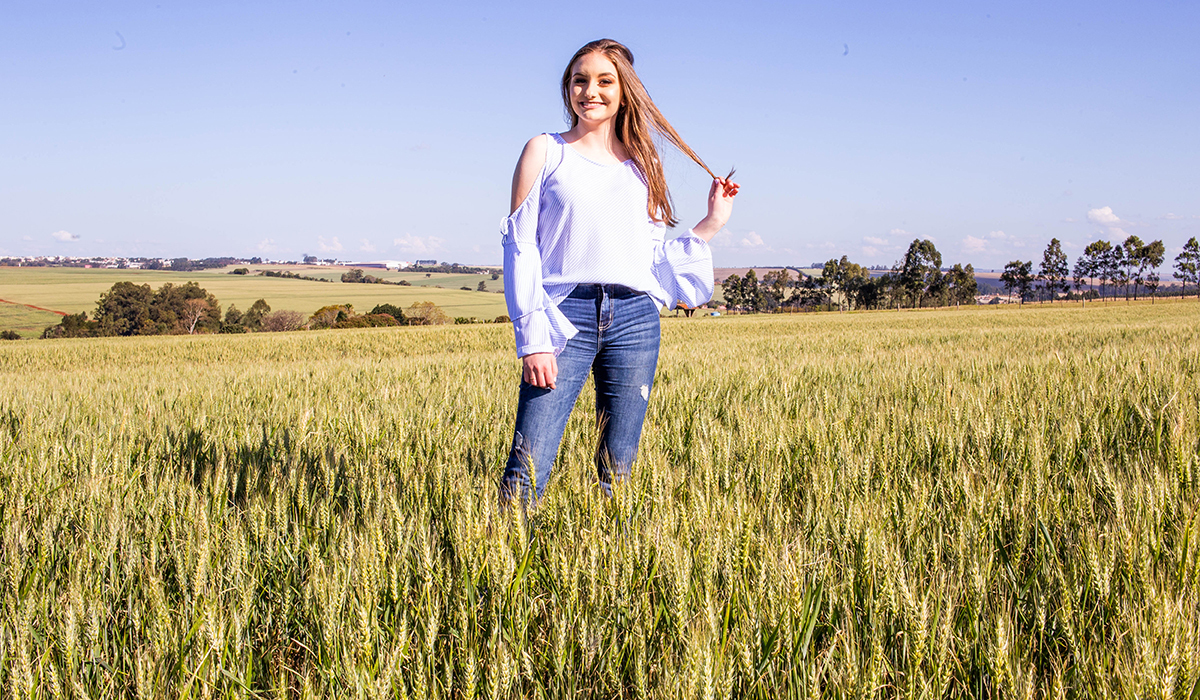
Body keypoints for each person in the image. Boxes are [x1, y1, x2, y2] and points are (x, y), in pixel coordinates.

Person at [500, 38, 739, 504]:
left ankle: (612, 549)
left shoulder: (645, 165)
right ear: (567, 88)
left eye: (604, 81)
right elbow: (521, 246)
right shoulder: (544, 151)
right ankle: (504, 550)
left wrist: (711, 223)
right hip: (562, 315)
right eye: (579, 80)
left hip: (635, 319)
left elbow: (649, 259)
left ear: (624, 90)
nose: (590, 91)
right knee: (528, 464)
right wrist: (533, 339)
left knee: (618, 470)